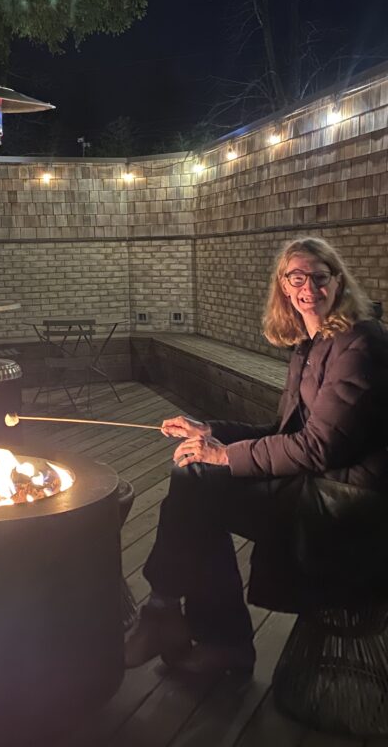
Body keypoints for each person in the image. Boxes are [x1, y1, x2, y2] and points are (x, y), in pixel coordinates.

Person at [124, 236, 388, 676]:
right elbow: (285, 433)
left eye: (319, 277)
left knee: (199, 487)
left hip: (349, 504)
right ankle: (185, 623)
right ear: (284, 286)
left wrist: (223, 456)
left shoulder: (358, 344)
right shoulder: (312, 343)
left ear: (338, 282)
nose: (308, 288)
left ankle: (183, 622)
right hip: (320, 482)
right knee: (196, 479)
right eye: (296, 278)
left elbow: (317, 447)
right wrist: (212, 433)